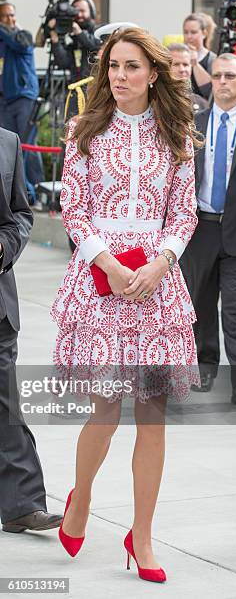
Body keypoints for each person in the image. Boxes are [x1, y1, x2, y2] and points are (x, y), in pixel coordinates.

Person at [50, 27, 201, 581]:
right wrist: (109, 264)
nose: (119, 76)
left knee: (153, 418)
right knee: (106, 412)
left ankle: (142, 537)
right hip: (100, 284)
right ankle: (82, 497)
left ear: (153, 73)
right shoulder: (83, 128)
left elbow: (184, 213)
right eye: (113, 66)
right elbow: (75, 207)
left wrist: (160, 263)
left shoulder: (178, 132)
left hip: (157, 287)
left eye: (131, 66)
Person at [181, 52, 236, 404]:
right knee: (200, 300)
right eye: (218, 76)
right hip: (201, 228)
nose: (223, 82)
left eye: (230, 76)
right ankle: (204, 366)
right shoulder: (193, 123)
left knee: (235, 304)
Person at [0, 126, 62, 533]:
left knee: (6, 406)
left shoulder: (7, 141)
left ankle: (22, 504)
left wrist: (4, 247)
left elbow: (20, 214)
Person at [0, 1, 44, 190]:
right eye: (5, 16)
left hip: (25, 97)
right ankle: (17, 192)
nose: (10, 18)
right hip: (5, 101)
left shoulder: (22, 35)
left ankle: (39, 187)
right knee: (9, 148)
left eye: (12, 15)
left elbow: (16, 43)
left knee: (29, 145)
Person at [48, 0, 100, 83]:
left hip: (95, 90)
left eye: (82, 11)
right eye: (76, 11)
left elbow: (94, 46)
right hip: (77, 90)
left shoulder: (99, 32)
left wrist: (79, 32)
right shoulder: (73, 39)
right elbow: (63, 62)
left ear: (92, 13)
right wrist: (55, 40)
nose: (79, 15)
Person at [183, 13, 216, 100]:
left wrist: (195, 63)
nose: (189, 36)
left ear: (204, 33)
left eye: (193, 32)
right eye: (186, 32)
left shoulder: (212, 59)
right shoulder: (178, 56)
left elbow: (210, 91)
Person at [168, 42, 208, 112]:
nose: (182, 69)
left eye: (185, 65)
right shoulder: (153, 101)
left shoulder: (201, 104)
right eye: (176, 64)